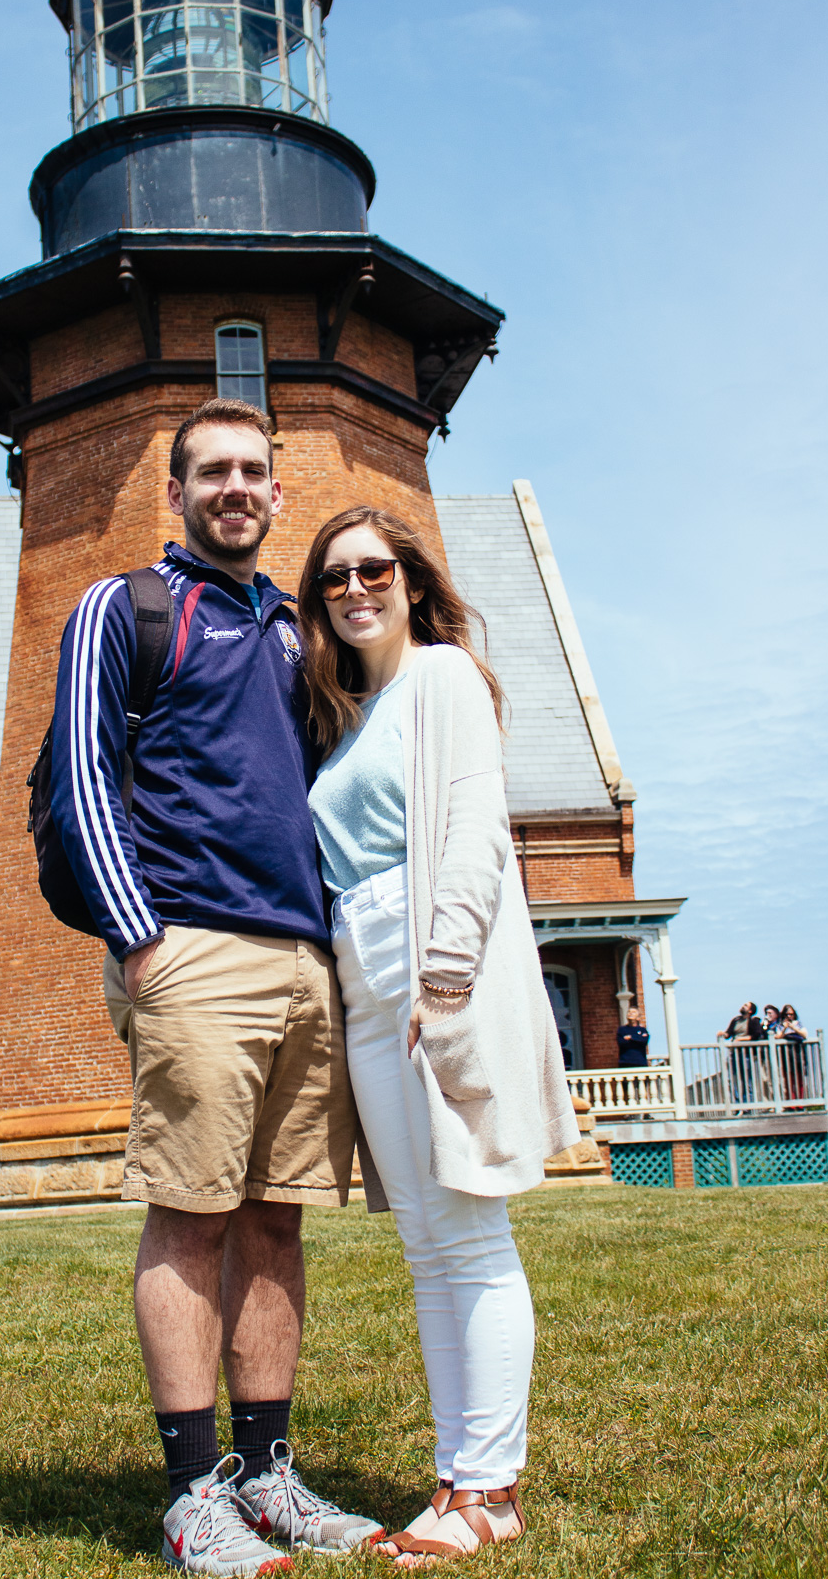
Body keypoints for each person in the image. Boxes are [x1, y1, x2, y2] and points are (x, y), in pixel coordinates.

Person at [50, 399, 381, 1574]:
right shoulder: (125, 606)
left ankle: (269, 1476)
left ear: (277, 494)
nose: (236, 487)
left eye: (254, 470)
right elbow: (83, 771)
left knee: (275, 1218)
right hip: (192, 946)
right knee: (191, 1211)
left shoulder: (299, 627)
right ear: (175, 491)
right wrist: (142, 938)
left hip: (304, 958)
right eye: (213, 471)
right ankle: (195, 1493)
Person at [300, 506, 580, 1564]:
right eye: (335, 578)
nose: (355, 588)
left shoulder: (446, 678)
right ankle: (455, 1475)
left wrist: (448, 973)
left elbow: (473, 826)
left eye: (374, 569)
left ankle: (492, 1489)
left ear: (412, 581)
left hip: (426, 971)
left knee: (473, 1233)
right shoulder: (347, 712)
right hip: (364, 986)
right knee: (427, 1246)